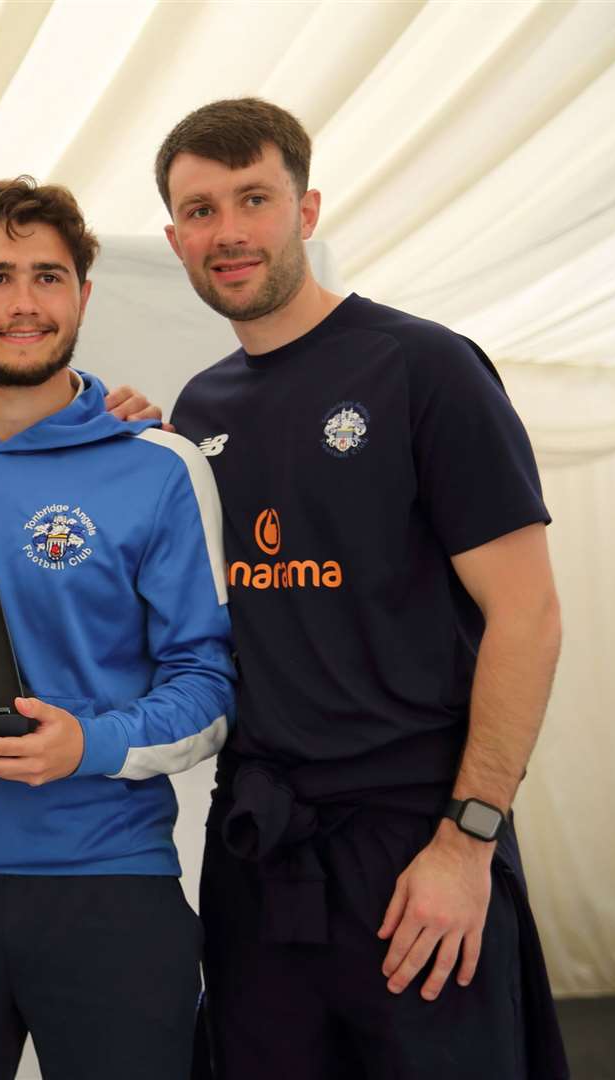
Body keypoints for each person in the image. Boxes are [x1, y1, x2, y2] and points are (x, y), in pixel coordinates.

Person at [153, 98, 568, 1079]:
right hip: (263, 846)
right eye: (202, 210)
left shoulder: (423, 367)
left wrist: (468, 842)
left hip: (417, 841)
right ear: (175, 238)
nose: (230, 232)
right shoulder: (198, 408)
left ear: (307, 208)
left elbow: (530, 615)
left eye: (254, 198)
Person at [0, 177, 237, 1080]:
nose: (24, 303)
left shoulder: (161, 467)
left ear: (82, 296)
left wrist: (90, 744)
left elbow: (211, 688)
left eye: (48, 276)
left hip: (113, 886)